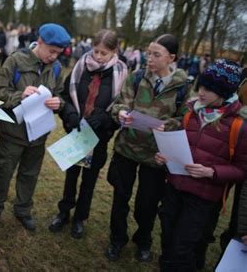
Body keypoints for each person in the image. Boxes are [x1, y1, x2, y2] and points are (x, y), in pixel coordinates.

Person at [105, 34, 191, 262]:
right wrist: (121, 112)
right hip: (126, 150)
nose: (149, 58)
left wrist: (168, 125)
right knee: (120, 198)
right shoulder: (137, 77)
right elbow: (120, 103)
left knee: (148, 204)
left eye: (156, 54)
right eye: (148, 52)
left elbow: (186, 119)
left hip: (156, 156)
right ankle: (117, 239)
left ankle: (143, 240)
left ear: (171, 58)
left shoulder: (182, 86)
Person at [155, 59, 247, 271]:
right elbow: (180, 145)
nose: (201, 92)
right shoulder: (191, 112)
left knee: (182, 249)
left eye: (209, 89)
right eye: (202, 86)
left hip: (203, 199)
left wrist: (211, 172)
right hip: (174, 189)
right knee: (168, 239)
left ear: (224, 92)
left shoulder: (239, 126)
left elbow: (242, 169)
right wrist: (165, 157)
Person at [0, 23, 70, 231]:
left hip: (38, 135)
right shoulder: (14, 60)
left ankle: (22, 210)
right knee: (4, 173)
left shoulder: (56, 67)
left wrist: (59, 103)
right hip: (12, 133)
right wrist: (19, 95)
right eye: (51, 51)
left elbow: (60, 93)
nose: (54, 57)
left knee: (30, 175)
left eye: (58, 53)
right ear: (39, 42)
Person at [48, 29, 128, 239]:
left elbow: (122, 107)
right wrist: (70, 114)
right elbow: (66, 95)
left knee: (89, 180)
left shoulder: (120, 74)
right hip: (76, 132)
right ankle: (64, 212)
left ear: (114, 51)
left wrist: (104, 118)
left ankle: (79, 218)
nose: (98, 57)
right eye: (96, 51)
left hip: (98, 137)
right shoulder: (80, 67)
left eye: (104, 53)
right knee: (71, 175)